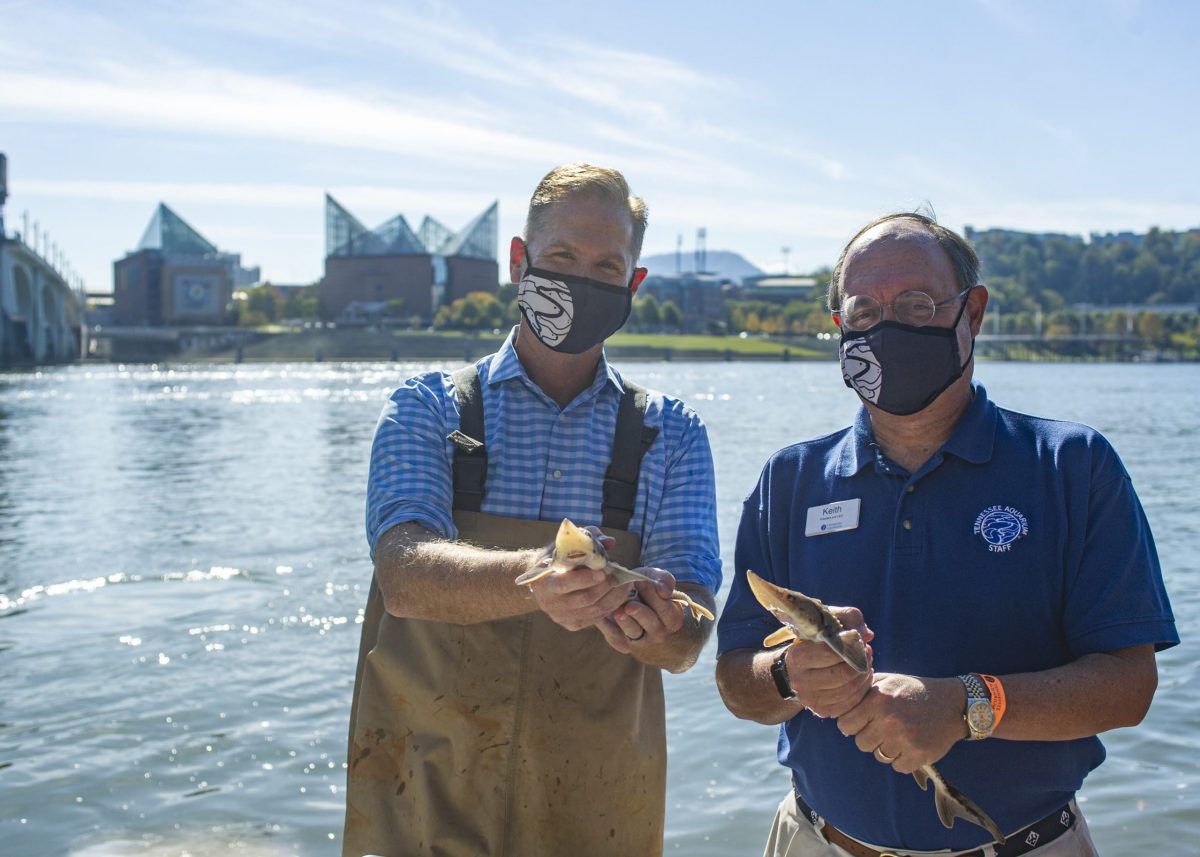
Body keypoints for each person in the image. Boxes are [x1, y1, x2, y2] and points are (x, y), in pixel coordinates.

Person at [715, 213, 1178, 857]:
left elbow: (1130, 687)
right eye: (863, 311)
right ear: (841, 327)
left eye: (917, 304)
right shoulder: (789, 480)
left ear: (974, 313)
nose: (889, 327)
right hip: (819, 841)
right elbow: (738, 679)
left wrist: (966, 706)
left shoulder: (1072, 465)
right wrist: (790, 677)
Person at [342, 163, 721, 857]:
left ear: (633, 287)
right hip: (423, 784)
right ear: (520, 262)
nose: (582, 279)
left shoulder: (673, 435)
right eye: (562, 258)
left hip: (597, 802)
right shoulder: (426, 408)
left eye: (607, 266)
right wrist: (536, 574)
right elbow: (403, 574)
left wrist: (662, 623)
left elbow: (691, 633)